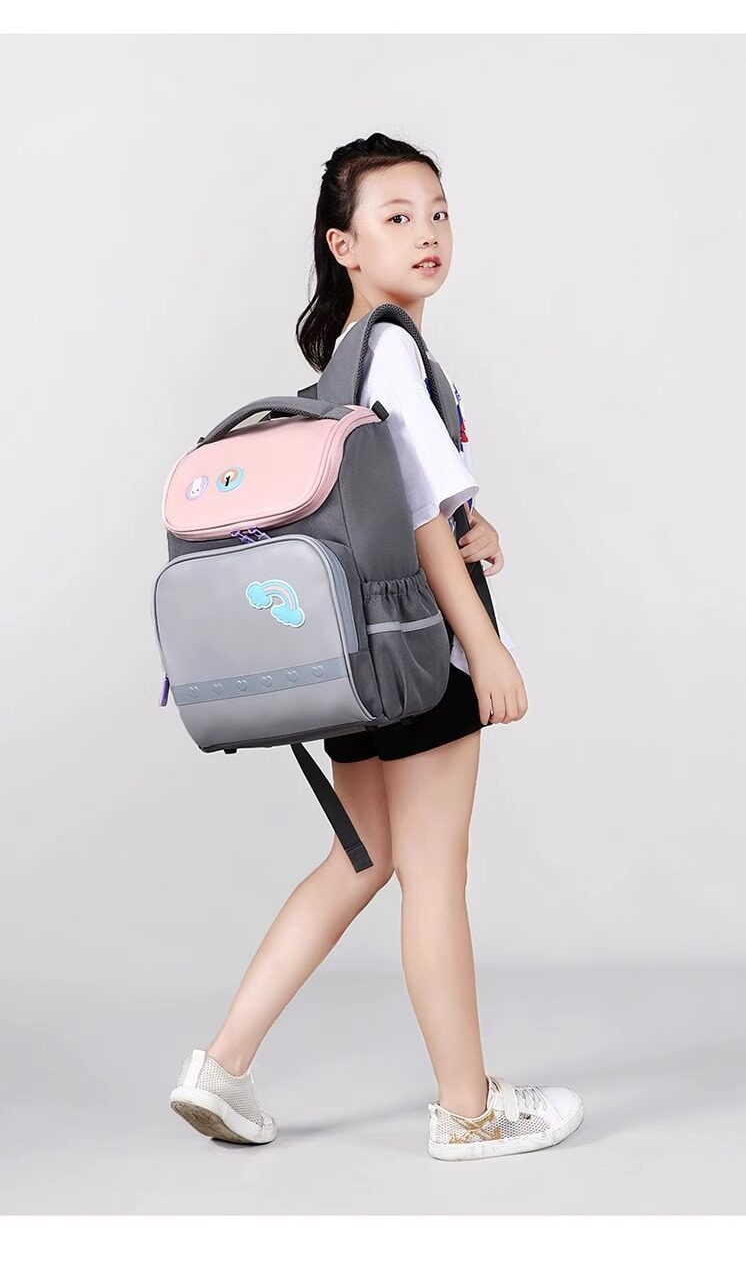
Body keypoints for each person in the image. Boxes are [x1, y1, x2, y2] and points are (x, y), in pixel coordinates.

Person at [170, 132, 583, 1161]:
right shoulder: (393, 348)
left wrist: (477, 526)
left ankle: (221, 1067)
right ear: (344, 244)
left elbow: (406, 506)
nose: (427, 232)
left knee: (363, 859)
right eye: (397, 216)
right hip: (422, 657)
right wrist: (485, 649)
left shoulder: (344, 360)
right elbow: (428, 525)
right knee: (434, 876)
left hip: (358, 657)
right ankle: (469, 1112)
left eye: (437, 212)